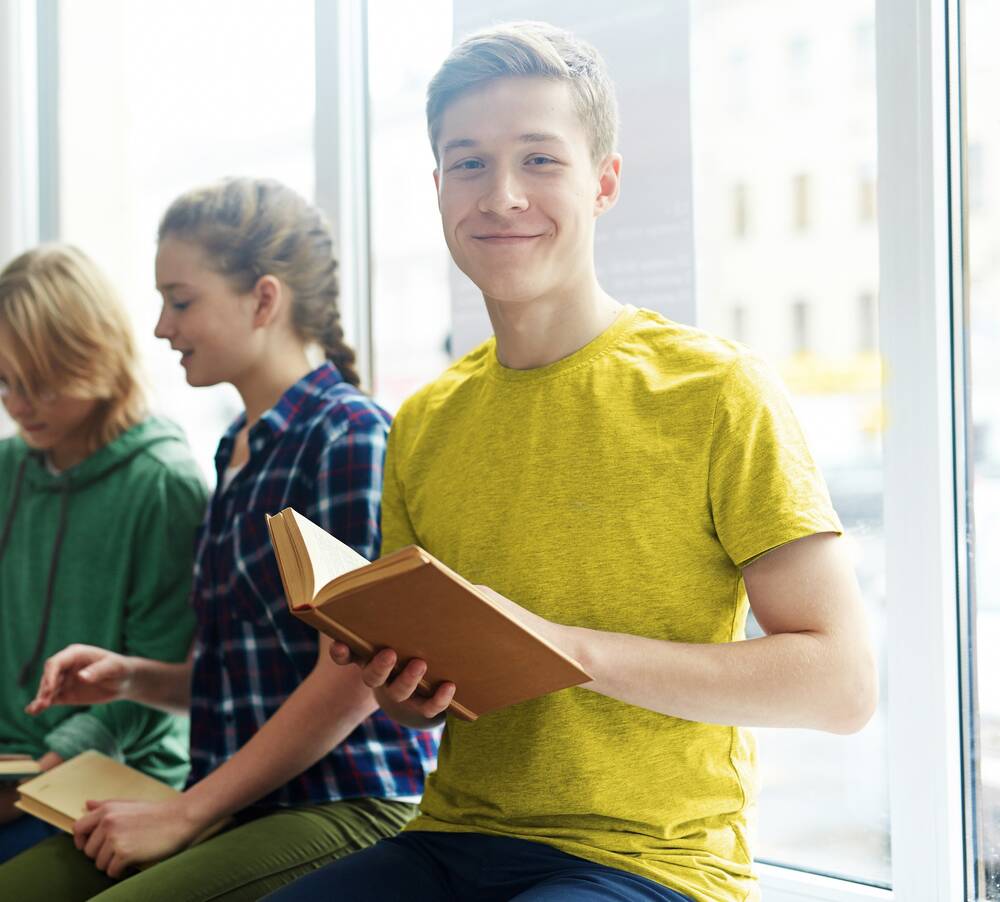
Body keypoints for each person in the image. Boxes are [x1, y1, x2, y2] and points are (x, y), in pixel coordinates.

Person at [267, 21, 879, 902]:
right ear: (439, 188)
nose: (502, 195)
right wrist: (405, 687)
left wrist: (566, 649)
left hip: (651, 863)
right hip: (453, 840)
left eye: (540, 160)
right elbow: (417, 699)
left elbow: (842, 684)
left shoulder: (717, 390)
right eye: (469, 163)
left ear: (604, 183)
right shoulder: (427, 420)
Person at [0, 178, 439, 901]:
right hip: (242, 802)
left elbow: (355, 679)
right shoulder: (237, 447)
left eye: (180, 301)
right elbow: (253, 677)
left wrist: (186, 812)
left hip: (346, 801)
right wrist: (135, 676)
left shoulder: (348, 435)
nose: (162, 329)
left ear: (264, 300)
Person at [0, 245, 206, 863]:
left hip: (116, 779)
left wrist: (35, 778)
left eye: (38, 381)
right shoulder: (9, 469)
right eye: (5, 380)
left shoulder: (165, 485)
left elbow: (153, 684)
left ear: (93, 355)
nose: (18, 403)